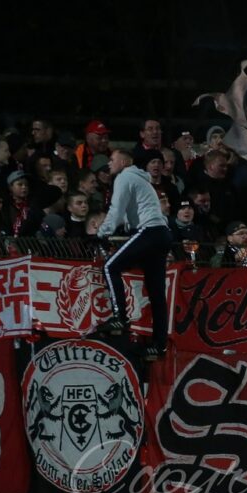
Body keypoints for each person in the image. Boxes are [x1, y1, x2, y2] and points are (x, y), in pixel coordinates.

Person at [95, 148, 172, 356]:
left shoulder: (125, 177)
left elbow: (116, 210)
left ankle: (120, 316)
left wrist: (102, 233)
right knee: (156, 293)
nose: (109, 163)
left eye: (112, 159)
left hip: (149, 231)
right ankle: (160, 344)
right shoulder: (143, 181)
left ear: (124, 161)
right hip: (162, 234)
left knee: (110, 266)